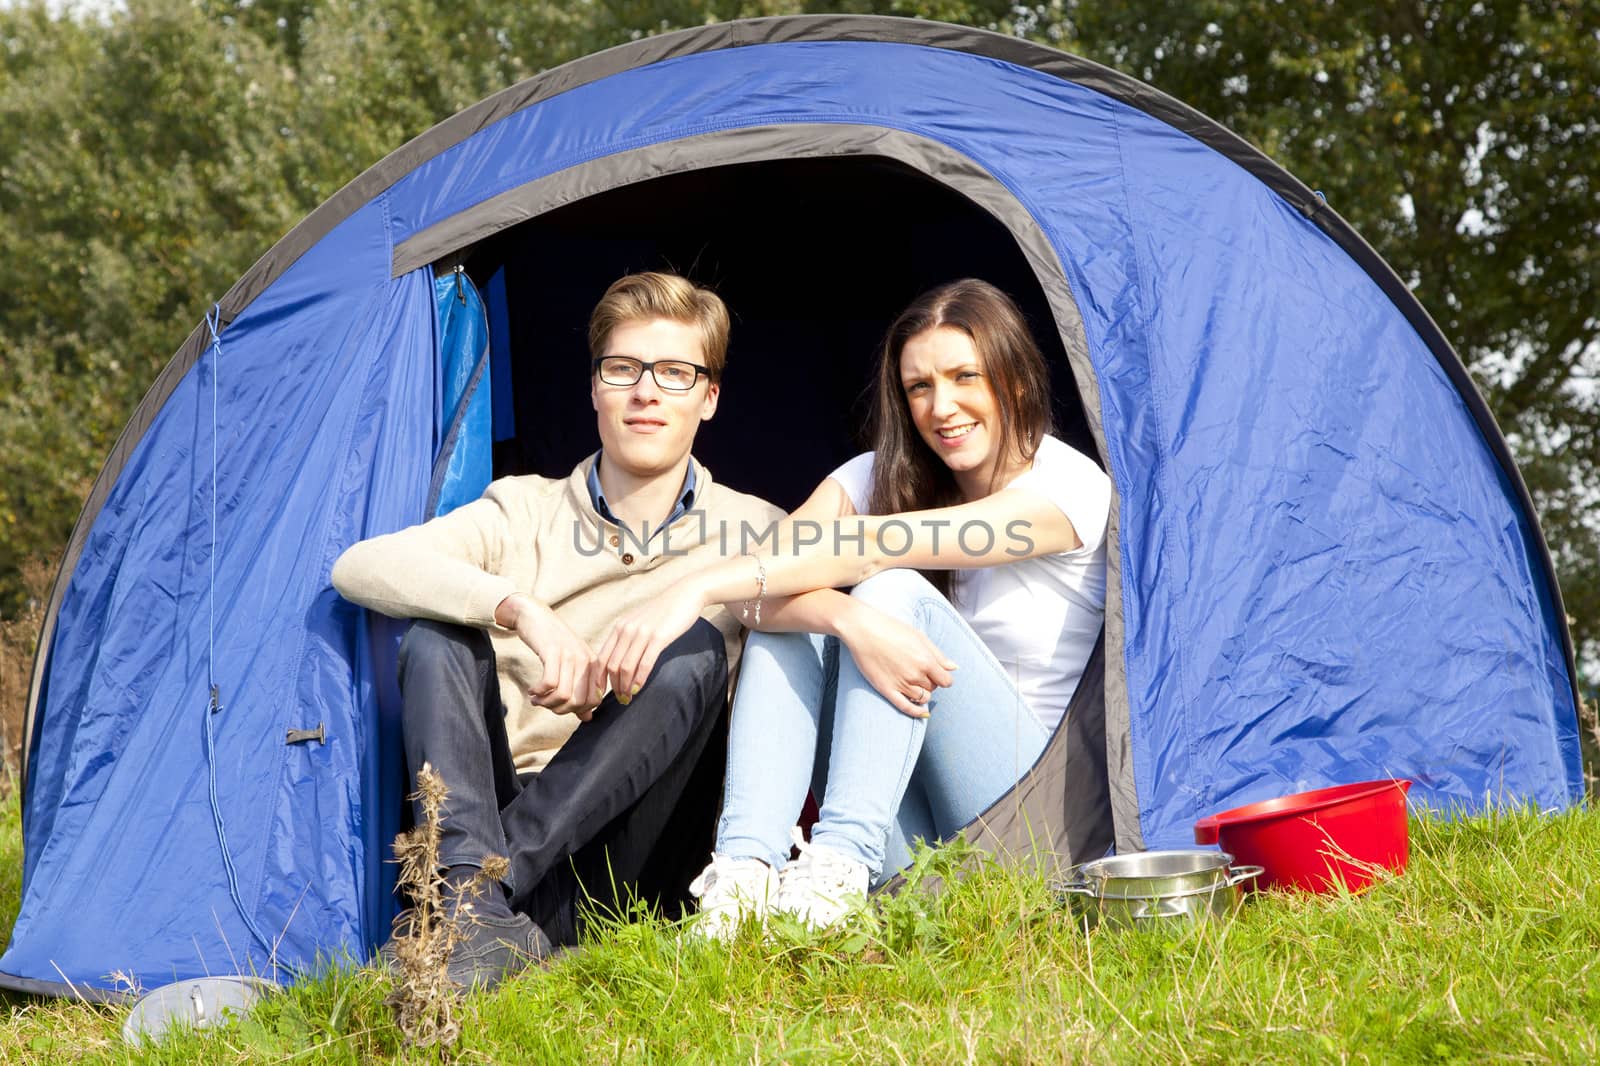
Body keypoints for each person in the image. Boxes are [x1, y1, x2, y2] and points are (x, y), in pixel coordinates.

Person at [595, 278, 1111, 935]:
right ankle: (742, 880)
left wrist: (693, 587)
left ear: (1012, 377)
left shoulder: (1067, 490)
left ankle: (837, 864)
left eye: (964, 377)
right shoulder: (879, 474)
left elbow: (873, 548)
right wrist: (842, 618)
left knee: (891, 589)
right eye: (919, 386)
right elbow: (762, 596)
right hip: (919, 835)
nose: (941, 406)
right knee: (802, 613)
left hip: (1032, 832)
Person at [331, 271, 783, 985]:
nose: (646, 392)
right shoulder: (522, 508)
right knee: (437, 635)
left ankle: (472, 903)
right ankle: (482, 917)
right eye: (622, 369)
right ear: (594, 387)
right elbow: (360, 565)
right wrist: (523, 611)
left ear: (710, 396)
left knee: (693, 653)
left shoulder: (759, 529)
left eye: (674, 372)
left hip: (640, 846)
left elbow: (830, 616)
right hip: (492, 806)